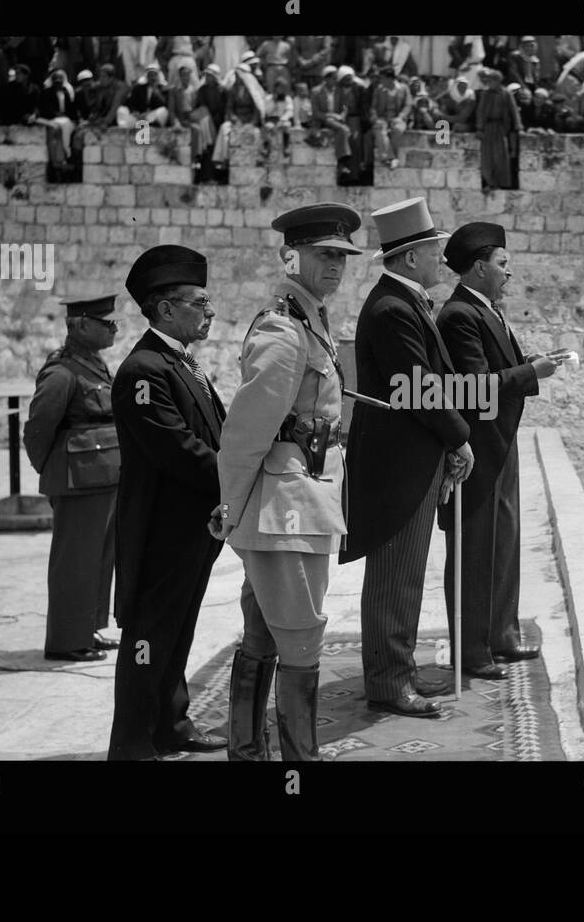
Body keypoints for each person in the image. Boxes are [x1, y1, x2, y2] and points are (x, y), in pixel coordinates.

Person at [210, 203, 364, 762]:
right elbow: (246, 430)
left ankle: (247, 751)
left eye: (342, 256)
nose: (335, 266)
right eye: (324, 255)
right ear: (291, 256)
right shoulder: (283, 327)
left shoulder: (311, 318)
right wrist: (228, 507)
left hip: (303, 496)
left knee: (264, 629)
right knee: (299, 635)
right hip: (285, 508)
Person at [339, 198, 474, 719]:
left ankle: (399, 669)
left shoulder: (404, 300)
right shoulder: (395, 307)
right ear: (412, 255)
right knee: (396, 572)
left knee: (406, 571)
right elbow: (420, 387)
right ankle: (389, 682)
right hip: (398, 464)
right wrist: (459, 438)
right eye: (434, 249)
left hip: (412, 457)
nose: (442, 259)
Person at [107, 246, 229, 760]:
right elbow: (177, 448)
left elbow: (216, 431)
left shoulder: (180, 363)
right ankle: (132, 744)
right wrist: (237, 474)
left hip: (193, 525)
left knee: (177, 629)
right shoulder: (142, 371)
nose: (209, 312)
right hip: (162, 528)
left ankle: (170, 724)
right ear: (164, 309)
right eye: (200, 303)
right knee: (149, 636)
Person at [436, 223, 563, 678]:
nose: (509, 273)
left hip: (500, 444)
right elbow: (473, 387)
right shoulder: (458, 315)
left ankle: (501, 633)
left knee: (504, 544)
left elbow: (497, 370)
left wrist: (530, 364)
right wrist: (534, 375)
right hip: (477, 450)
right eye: (503, 264)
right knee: (474, 550)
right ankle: (471, 650)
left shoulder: (487, 309)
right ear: (478, 268)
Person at [23, 294, 123, 663]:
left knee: (98, 560)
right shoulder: (61, 372)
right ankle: (66, 641)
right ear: (80, 325)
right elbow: (37, 431)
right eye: (106, 322)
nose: (114, 328)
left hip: (102, 477)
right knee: (75, 562)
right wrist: (52, 472)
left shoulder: (93, 364)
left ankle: (87, 631)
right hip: (78, 480)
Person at [476, 69, 521, 188]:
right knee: (487, 156)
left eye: (491, 80)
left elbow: (513, 110)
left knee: (500, 156)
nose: (489, 83)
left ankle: (501, 183)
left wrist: (518, 126)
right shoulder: (485, 94)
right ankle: (489, 182)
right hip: (488, 128)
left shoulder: (506, 94)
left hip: (501, 128)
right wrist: (479, 128)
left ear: (497, 81)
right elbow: (480, 111)